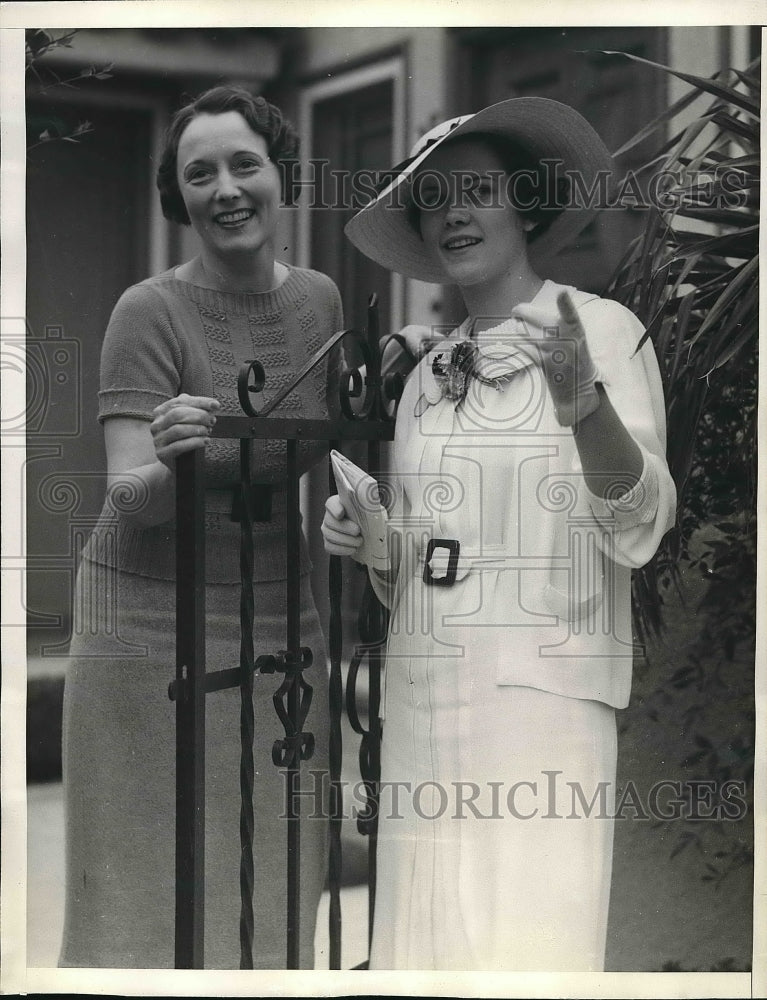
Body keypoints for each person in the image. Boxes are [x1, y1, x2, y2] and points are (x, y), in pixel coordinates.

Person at [322, 97, 676, 971]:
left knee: (529, 946)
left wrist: (582, 405)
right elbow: (420, 563)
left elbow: (641, 523)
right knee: (425, 944)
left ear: (525, 204)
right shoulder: (427, 377)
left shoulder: (602, 332)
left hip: (539, 703)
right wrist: (368, 535)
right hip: (424, 697)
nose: (453, 212)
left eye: (476, 189)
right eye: (433, 197)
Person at [60, 86, 340, 968]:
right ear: (177, 196)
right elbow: (126, 499)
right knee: (148, 878)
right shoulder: (146, 310)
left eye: (243, 164)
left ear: (279, 174)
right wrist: (171, 459)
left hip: (274, 602)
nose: (225, 187)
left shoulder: (325, 303)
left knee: (277, 855)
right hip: (144, 619)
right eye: (199, 173)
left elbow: (331, 450)